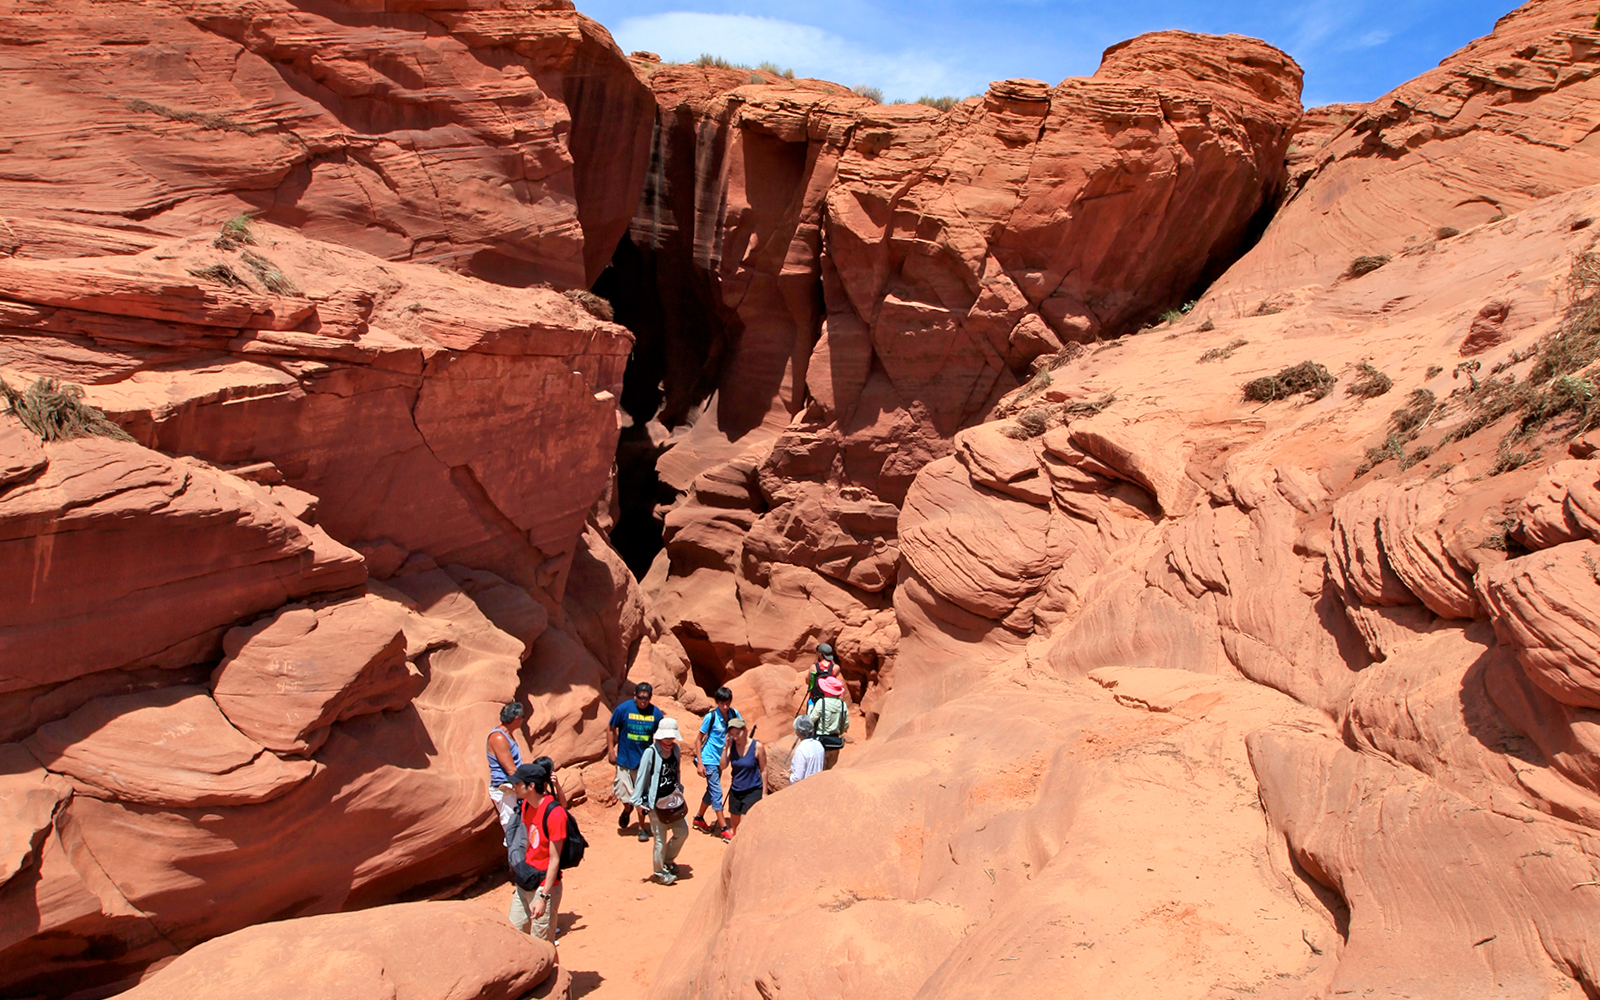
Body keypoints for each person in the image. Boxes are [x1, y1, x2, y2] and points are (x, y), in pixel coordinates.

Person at [507, 760, 566, 943]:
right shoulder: (526, 805)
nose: (514, 786)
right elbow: (529, 843)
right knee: (514, 934)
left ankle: (554, 972)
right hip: (526, 881)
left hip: (543, 885)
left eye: (518, 783)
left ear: (531, 786)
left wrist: (544, 897)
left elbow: (555, 859)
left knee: (542, 944)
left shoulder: (555, 814)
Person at [631, 717, 689, 884]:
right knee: (659, 839)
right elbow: (641, 777)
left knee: (682, 832)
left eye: (672, 737)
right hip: (655, 804)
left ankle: (668, 860)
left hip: (673, 801)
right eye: (666, 737)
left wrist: (679, 789)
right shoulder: (651, 753)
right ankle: (660, 872)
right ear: (659, 736)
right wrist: (638, 802)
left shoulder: (676, 750)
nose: (669, 741)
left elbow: (677, 771)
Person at [607, 682, 664, 842]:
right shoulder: (623, 709)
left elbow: (661, 737)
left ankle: (642, 828)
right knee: (625, 796)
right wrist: (611, 750)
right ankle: (627, 809)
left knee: (642, 797)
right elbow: (611, 727)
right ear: (635, 696)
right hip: (624, 760)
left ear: (650, 698)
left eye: (646, 698)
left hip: (644, 762)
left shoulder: (656, 714)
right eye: (640, 698)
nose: (643, 701)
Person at [693, 687, 741, 835]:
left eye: (727, 703)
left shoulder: (734, 714)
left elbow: (741, 730)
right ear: (717, 703)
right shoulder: (711, 717)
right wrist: (700, 763)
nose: (725, 707)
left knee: (711, 790)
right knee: (716, 791)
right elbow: (698, 740)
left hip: (723, 758)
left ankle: (699, 818)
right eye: (722, 704)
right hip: (709, 759)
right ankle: (724, 829)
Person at [487, 701, 526, 844]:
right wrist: (525, 787)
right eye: (523, 716)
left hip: (512, 787)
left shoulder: (507, 735)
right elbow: (510, 769)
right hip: (505, 790)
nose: (523, 720)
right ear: (516, 718)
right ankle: (517, 864)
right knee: (513, 831)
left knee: (522, 829)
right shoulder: (499, 737)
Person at [722, 717, 766, 841]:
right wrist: (725, 748)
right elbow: (723, 765)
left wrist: (764, 793)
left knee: (747, 823)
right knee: (735, 825)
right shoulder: (732, 746)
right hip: (736, 790)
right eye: (732, 735)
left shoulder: (757, 747)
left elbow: (764, 770)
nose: (736, 737)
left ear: (745, 731)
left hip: (753, 790)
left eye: (738, 733)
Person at [807, 674, 850, 770]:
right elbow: (846, 724)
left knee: (819, 769)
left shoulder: (821, 703)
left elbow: (811, 720)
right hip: (835, 742)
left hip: (822, 742)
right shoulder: (843, 704)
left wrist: (810, 707)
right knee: (830, 770)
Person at [804, 642, 842, 709]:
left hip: (816, 698)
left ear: (820, 654)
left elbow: (808, 682)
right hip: (829, 699)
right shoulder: (836, 668)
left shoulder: (814, 667)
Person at [789, 715, 824, 785]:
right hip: (817, 785)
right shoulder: (819, 745)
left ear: (797, 733)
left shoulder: (801, 749)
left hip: (804, 788)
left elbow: (797, 778)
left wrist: (788, 776)